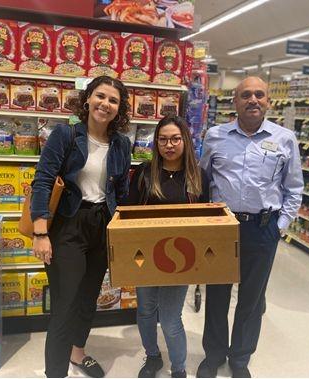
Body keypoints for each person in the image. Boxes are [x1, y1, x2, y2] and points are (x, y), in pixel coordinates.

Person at [197, 76, 303, 378]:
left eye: (259, 94)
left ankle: (240, 358)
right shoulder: (215, 136)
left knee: (252, 299)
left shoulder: (285, 138)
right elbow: (204, 180)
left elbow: (294, 188)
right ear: (235, 101)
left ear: (269, 100)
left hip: (263, 228)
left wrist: (279, 226)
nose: (252, 100)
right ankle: (214, 355)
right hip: (222, 228)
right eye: (246, 95)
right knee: (216, 295)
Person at [31, 75, 132, 378]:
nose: (106, 104)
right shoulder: (66, 135)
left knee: (88, 296)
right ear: (87, 99)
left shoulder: (121, 144)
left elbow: (121, 192)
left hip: (102, 224)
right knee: (65, 304)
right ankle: (56, 373)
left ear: (119, 108)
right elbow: (43, 181)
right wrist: (40, 233)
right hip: (68, 225)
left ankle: (78, 353)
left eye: (113, 100)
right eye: (101, 96)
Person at [126, 115, 210, 378]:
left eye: (175, 138)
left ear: (185, 140)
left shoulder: (198, 176)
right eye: (163, 139)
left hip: (180, 257)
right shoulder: (143, 172)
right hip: (145, 255)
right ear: (156, 143)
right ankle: (152, 357)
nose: (169, 145)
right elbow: (128, 214)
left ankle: (179, 369)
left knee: (172, 318)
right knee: (146, 311)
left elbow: (206, 220)